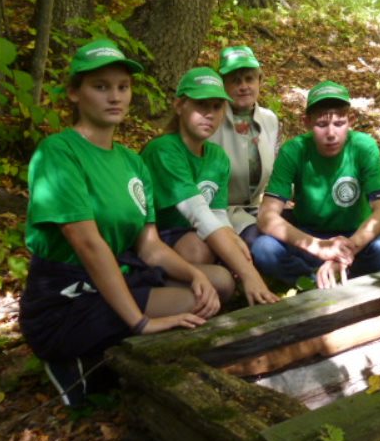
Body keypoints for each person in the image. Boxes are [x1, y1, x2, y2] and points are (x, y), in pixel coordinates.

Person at [19, 39, 225, 408]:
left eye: (122, 87)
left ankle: (107, 354)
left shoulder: (133, 162)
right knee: (193, 307)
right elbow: (88, 245)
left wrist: (195, 274)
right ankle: (79, 363)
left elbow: (149, 246)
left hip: (117, 274)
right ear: (74, 93)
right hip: (65, 298)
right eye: (100, 87)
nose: (115, 97)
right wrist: (140, 322)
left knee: (217, 283)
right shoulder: (58, 152)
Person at [142, 67, 279, 306]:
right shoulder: (164, 150)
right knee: (200, 250)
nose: (209, 114)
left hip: (192, 235)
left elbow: (218, 214)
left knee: (226, 273)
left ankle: (201, 296)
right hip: (155, 240)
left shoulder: (217, 157)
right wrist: (249, 275)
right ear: (179, 106)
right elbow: (197, 212)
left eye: (217, 107)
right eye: (201, 105)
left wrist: (233, 239)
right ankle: (154, 291)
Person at [252, 81, 380, 289]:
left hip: (356, 237)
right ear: (307, 122)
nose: (331, 133)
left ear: (351, 120)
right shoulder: (293, 151)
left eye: (339, 123)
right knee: (264, 248)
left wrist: (345, 251)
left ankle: (333, 279)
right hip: (309, 238)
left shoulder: (363, 147)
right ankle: (317, 282)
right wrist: (321, 247)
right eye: (322, 125)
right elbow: (265, 217)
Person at [208, 46, 279, 247]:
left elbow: (275, 171)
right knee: (266, 245)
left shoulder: (270, 120)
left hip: (260, 208)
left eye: (249, 79)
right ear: (223, 85)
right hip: (223, 213)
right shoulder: (211, 120)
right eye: (235, 81)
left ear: (259, 81)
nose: (244, 86)